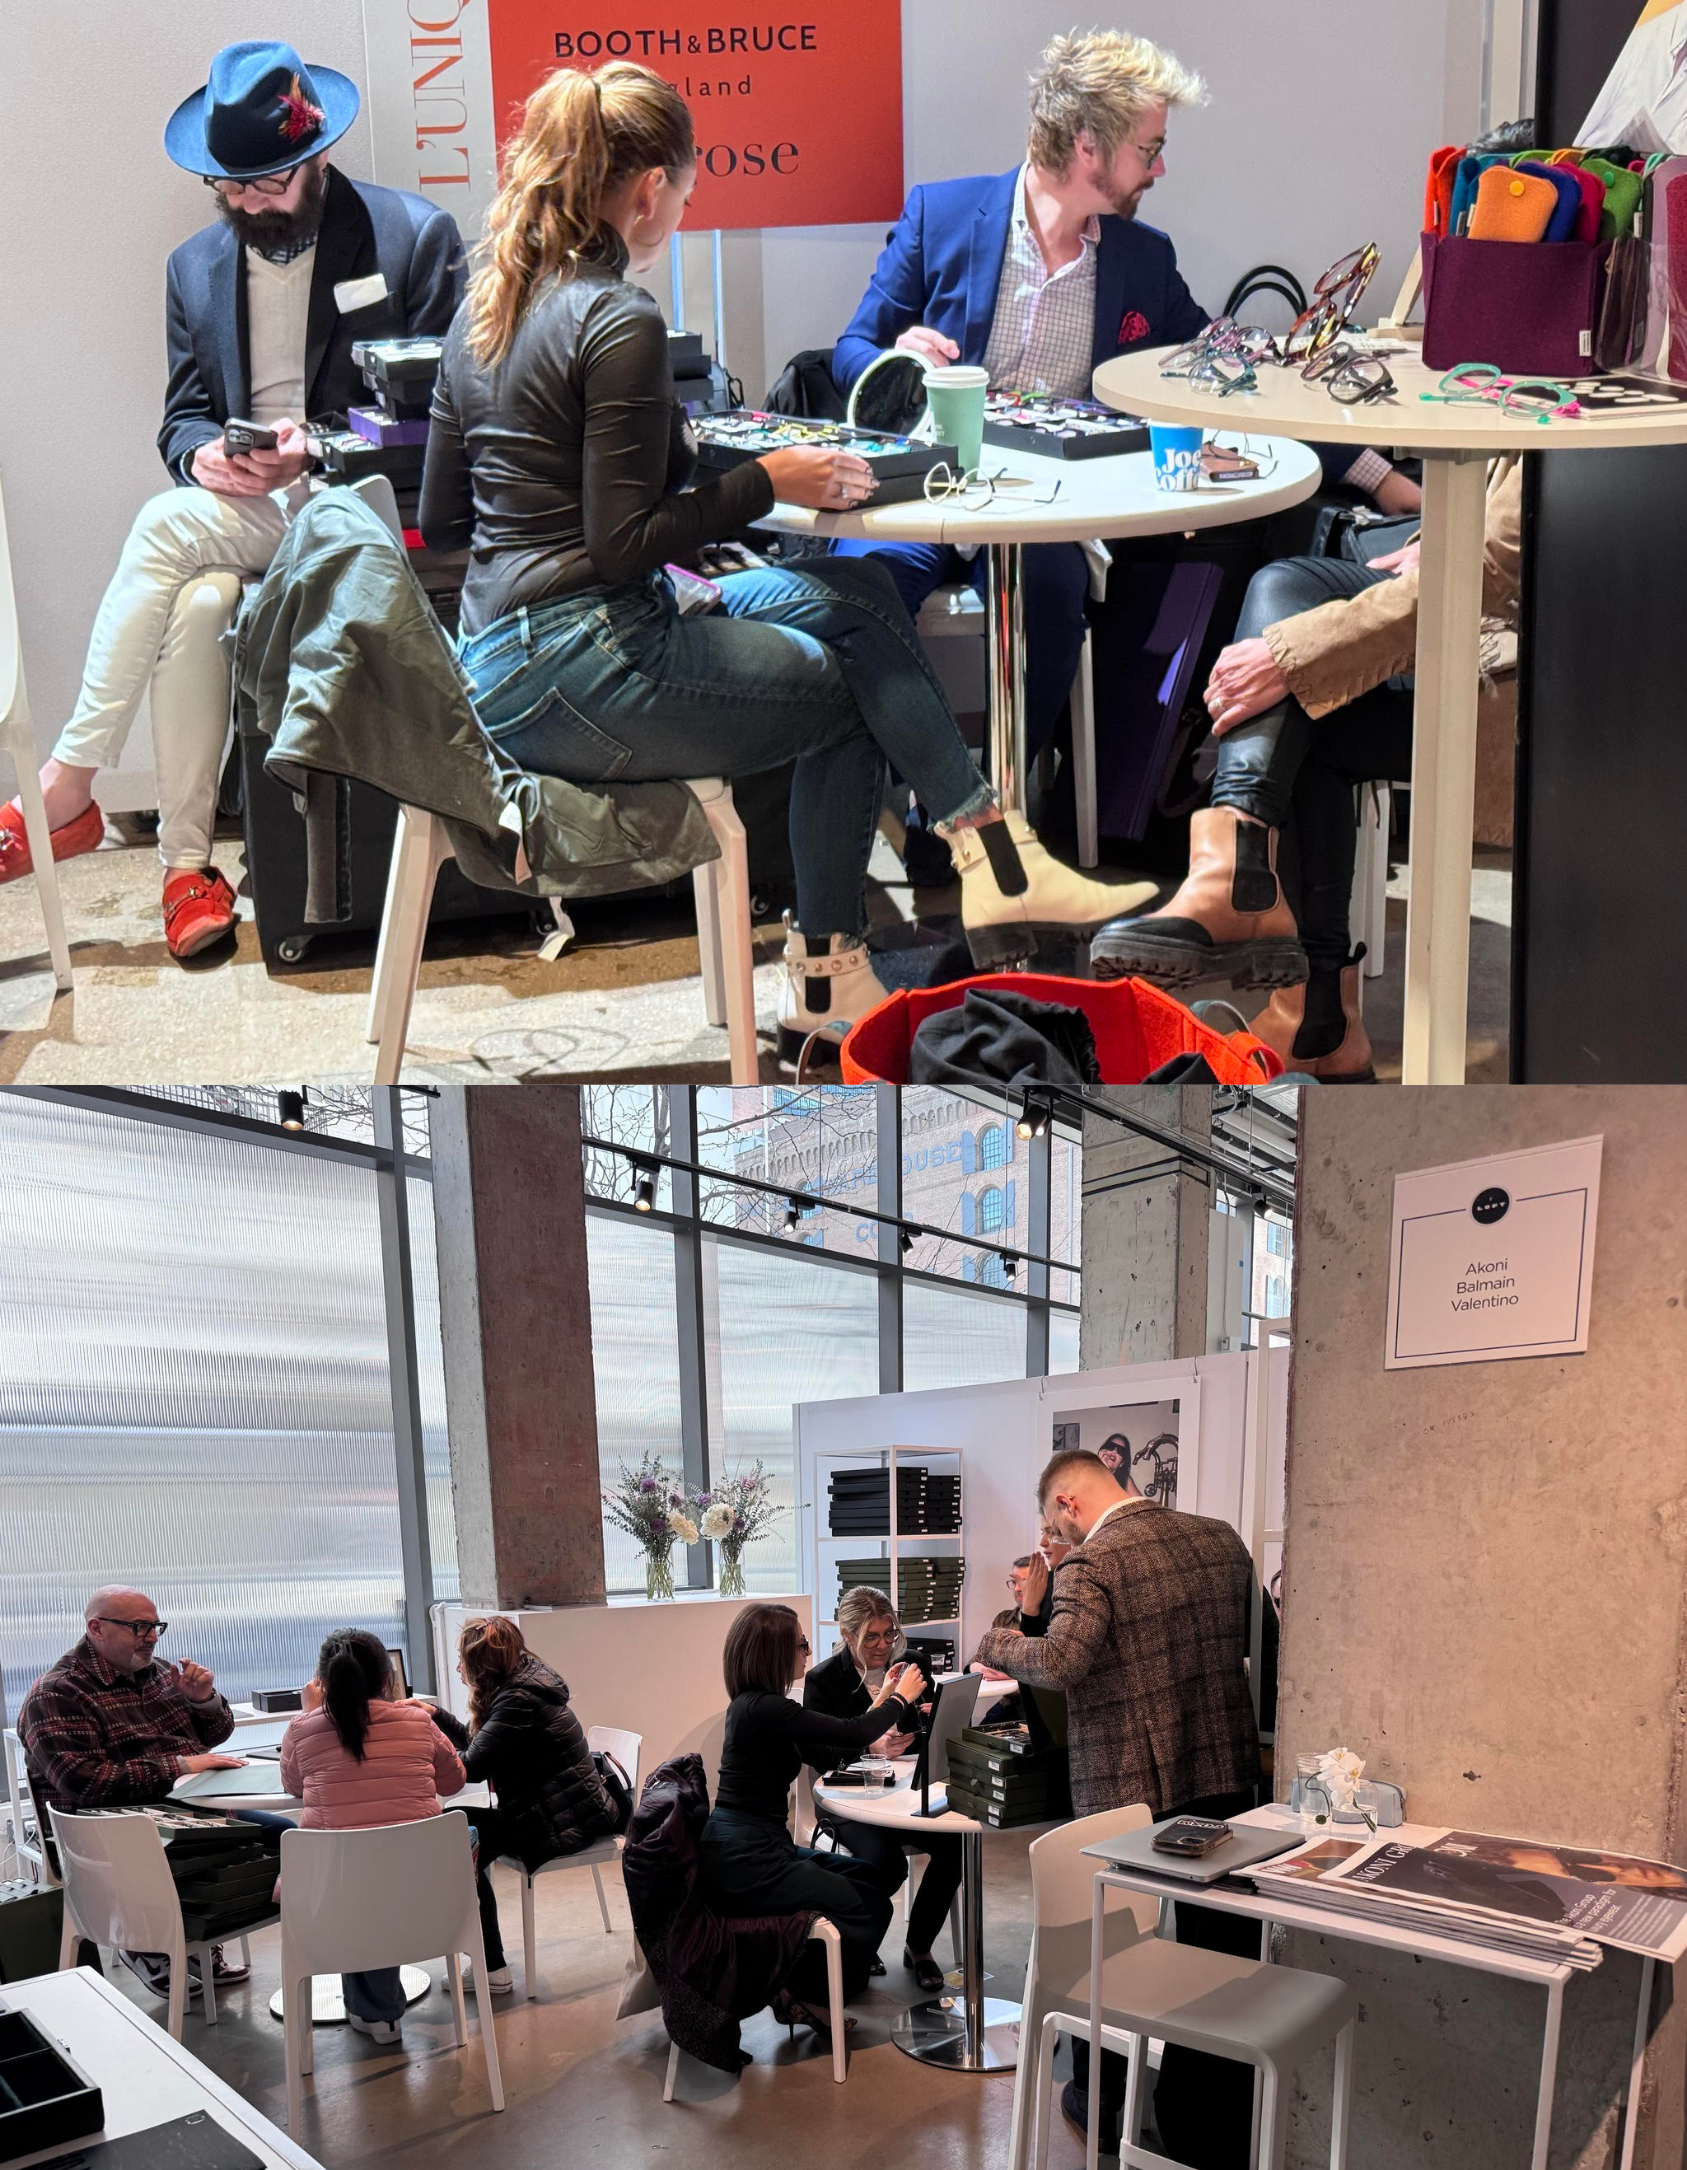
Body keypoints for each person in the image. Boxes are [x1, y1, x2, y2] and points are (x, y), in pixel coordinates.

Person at [418, 60, 1150, 1070]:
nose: (683, 204)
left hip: (500, 653)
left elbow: (443, 521)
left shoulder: (485, 307)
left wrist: (700, 481)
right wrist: (765, 478)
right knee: (852, 689)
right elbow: (621, 541)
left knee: (851, 596)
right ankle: (838, 969)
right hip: (584, 663)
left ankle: (986, 852)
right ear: (645, 191)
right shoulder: (618, 322)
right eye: (684, 188)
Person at [830, 28, 1422, 827]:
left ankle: (983, 824)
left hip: (1050, 508)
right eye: (1150, 147)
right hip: (924, 484)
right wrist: (898, 353)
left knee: (1047, 601)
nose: (1160, 168)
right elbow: (849, 352)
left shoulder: (1141, 258)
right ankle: (893, 804)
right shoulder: (941, 215)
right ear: (1087, 146)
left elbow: (1233, 379)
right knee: (857, 599)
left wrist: (1380, 479)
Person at [0, 42, 463, 959]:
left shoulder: (413, 237)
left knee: (164, 528)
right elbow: (178, 420)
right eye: (231, 185)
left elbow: (451, 411)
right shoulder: (194, 266)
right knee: (201, 597)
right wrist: (207, 455)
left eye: (268, 181)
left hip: (366, 506)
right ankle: (184, 867)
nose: (249, 201)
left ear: (317, 155)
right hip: (251, 510)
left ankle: (65, 784)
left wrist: (315, 449)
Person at [1092, 463, 1523, 1081]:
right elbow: (1497, 526)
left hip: (1549, 684)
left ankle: (1283, 961)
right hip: (1485, 604)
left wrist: (1292, 656)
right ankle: (1311, 1008)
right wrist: (1435, 542)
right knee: (1288, 593)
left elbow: (1491, 567)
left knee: (1297, 685)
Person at [974, 1449, 1261, 2160]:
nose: (1058, 1544)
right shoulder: (1219, 1537)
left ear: (1068, 1502)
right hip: (1222, 1770)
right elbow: (1268, 1648)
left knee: (1101, 1946)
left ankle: (1099, 2102)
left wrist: (1001, 1636)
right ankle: (1208, 2129)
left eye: (1055, 1527)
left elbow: (1064, 1662)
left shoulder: (1093, 1562)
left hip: (1124, 1796)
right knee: (1219, 1958)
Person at [17, 1587, 252, 2001]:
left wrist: (204, 1702)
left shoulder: (161, 1673)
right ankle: (149, 1944)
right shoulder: (57, 1693)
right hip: (106, 1830)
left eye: (155, 1626)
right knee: (228, 1842)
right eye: (139, 1627)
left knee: (279, 1835)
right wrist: (179, 1766)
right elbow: (85, 1781)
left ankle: (198, 1938)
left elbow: (212, 1736)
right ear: (96, 1628)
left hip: (182, 1811)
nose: (152, 1636)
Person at [700, 1602, 922, 2037]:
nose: (807, 1651)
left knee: (873, 1880)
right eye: (801, 1644)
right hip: (748, 1858)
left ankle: (816, 1983)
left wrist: (880, 1701)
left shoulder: (760, 1707)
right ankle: (802, 1990)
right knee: (866, 1904)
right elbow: (852, 1733)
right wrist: (900, 1699)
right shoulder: (765, 1709)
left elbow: (843, 1732)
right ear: (776, 1653)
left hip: (757, 1846)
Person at [278, 1628, 466, 2043]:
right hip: (428, 1894)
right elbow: (454, 1783)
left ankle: (377, 2013)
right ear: (387, 1679)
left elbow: (293, 1785)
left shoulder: (302, 1728)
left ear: (322, 1682)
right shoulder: (418, 1721)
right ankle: (381, 2007)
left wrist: (310, 1713)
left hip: (334, 1898)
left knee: (357, 1867)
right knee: (437, 1843)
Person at [428, 1615, 618, 1997]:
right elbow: (485, 1748)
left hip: (560, 1821)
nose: (457, 1669)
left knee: (451, 1835)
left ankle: (491, 1966)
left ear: (482, 1667)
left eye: (463, 1661)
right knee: (455, 1832)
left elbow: (472, 1768)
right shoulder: (526, 1684)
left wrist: (432, 1728)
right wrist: (438, 1715)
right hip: (567, 1809)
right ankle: (489, 1961)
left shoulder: (517, 1699)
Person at [803, 1587, 961, 1994]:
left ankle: (919, 1946)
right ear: (846, 1633)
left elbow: (932, 1731)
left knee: (954, 1847)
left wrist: (921, 1727)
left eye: (889, 1634)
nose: (882, 1646)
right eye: (870, 1637)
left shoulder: (913, 1666)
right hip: (847, 1799)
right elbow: (819, 1754)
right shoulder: (823, 1680)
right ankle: (860, 1934)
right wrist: (869, 1747)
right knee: (883, 1862)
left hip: (905, 1791)